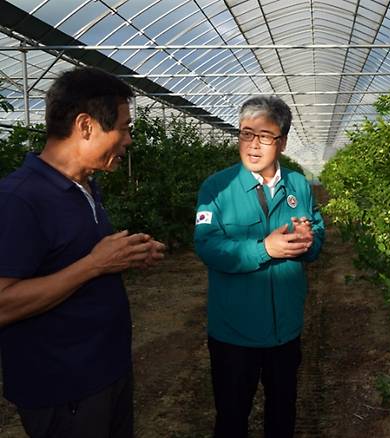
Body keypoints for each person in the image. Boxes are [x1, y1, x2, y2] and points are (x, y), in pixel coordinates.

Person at [0, 66, 166, 438]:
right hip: (64, 389)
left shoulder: (84, 187)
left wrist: (124, 256)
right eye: (123, 127)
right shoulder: (19, 199)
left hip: (106, 373)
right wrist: (94, 265)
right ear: (86, 125)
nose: (128, 140)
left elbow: (71, 260)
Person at [194, 95, 325, 438]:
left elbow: (317, 231)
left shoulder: (298, 185)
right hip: (234, 332)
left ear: (281, 141)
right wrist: (265, 248)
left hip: (285, 328)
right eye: (246, 134)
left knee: (282, 413)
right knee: (232, 416)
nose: (253, 145)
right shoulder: (217, 187)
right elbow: (207, 246)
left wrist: (310, 242)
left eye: (264, 136)